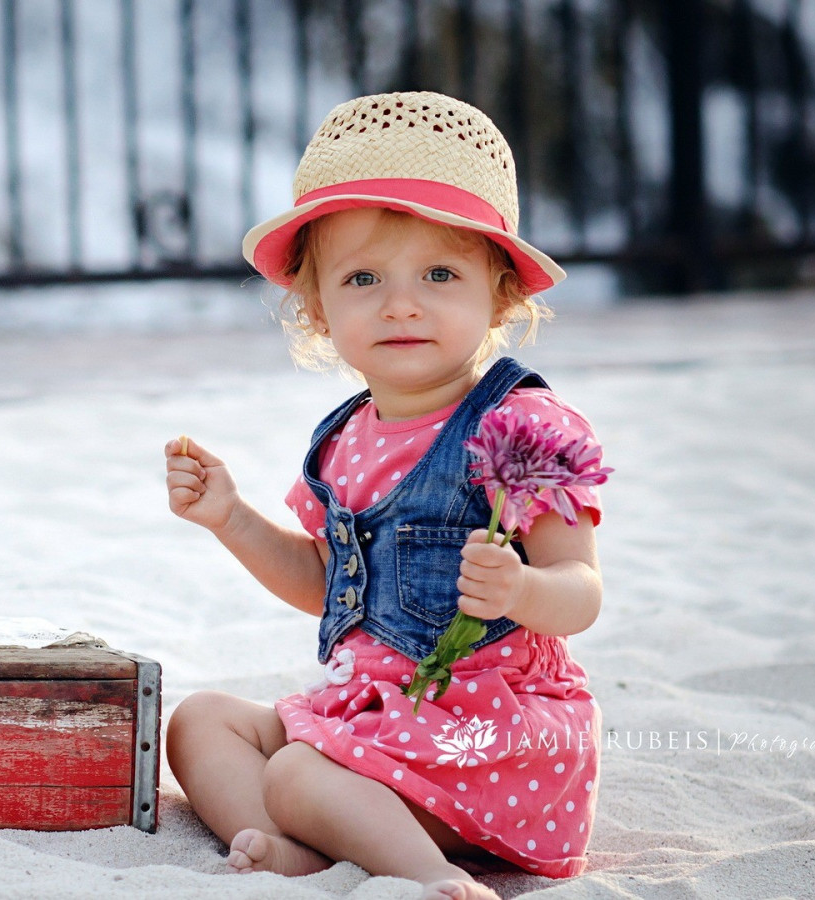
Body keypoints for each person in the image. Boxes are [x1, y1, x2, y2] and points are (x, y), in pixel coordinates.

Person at [163, 92, 605, 900]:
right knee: (200, 723)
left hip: (482, 738)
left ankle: (431, 876)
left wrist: (522, 589)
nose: (401, 303)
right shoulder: (344, 438)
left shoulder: (522, 424)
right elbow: (330, 586)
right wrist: (230, 517)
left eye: (440, 274)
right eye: (363, 278)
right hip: (369, 718)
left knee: (297, 774)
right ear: (318, 307)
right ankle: (311, 853)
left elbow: (581, 591)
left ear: (501, 292)